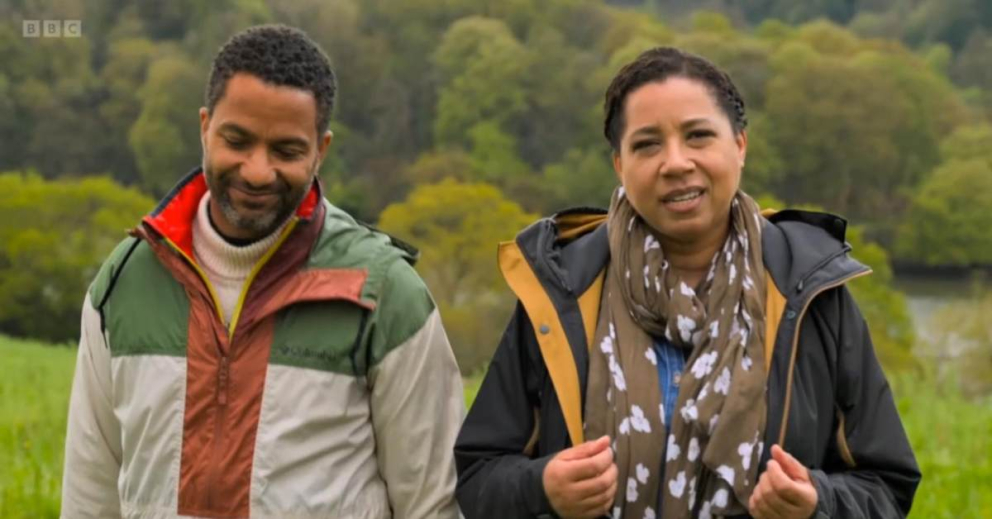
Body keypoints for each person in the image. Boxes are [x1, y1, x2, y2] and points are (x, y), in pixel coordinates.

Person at [455, 47, 920, 519]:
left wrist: (817, 504)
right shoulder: (563, 290)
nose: (675, 162)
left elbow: (886, 485)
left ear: (739, 145)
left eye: (698, 136)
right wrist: (541, 488)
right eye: (647, 144)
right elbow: (476, 476)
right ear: (619, 164)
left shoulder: (808, 291)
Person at [61, 25, 463, 519]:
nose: (257, 171)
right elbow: (88, 498)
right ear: (205, 127)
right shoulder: (123, 285)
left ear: (322, 150)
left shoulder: (386, 295)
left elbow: (435, 505)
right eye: (238, 140)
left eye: (287, 151)